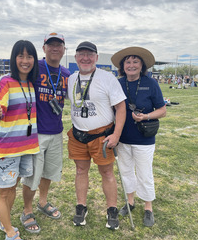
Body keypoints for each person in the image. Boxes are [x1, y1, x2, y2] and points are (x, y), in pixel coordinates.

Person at [0, 33, 70, 233]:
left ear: (64, 49)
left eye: (59, 45)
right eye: (51, 45)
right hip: (33, 135)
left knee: (47, 173)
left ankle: (43, 201)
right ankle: (27, 210)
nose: (55, 48)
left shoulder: (66, 74)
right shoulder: (33, 68)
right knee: (31, 175)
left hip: (55, 131)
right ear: (44, 48)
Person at [0, 40, 40, 240]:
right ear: (13, 59)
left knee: (12, 187)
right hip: (5, 148)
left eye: (29, 56)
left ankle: (4, 220)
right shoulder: (5, 82)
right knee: (3, 192)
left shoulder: (30, 84)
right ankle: (10, 234)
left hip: (25, 147)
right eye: (21, 56)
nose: (25, 61)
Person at [67, 41, 126, 230]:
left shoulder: (107, 78)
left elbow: (121, 107)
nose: (86, 58)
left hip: (102, 136)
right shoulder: (71, 78)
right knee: (80, 171)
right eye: (81, 54)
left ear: (96, 58)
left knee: (107, 173)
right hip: (78, 135)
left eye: (90, 54)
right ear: (75, 57)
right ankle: (81, 207)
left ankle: (112, 209)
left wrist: (116, 134)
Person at [111, 46, 166, 227]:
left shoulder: (151, 83)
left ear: (142, 65)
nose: (131, 65)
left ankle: (148, 207)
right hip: (123, 138)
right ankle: (130, 202)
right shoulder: (117, 83)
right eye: (128, 61)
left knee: (144, 174)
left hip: (144, 139)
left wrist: (146, 116)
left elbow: (162, 110)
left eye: (135, 61)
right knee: (126, 172)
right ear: (123, 66)